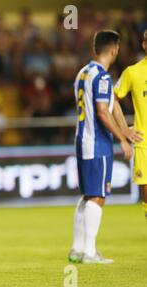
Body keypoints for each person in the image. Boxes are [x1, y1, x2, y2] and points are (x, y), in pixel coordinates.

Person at [68, 30, 142, 264]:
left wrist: (126, 128)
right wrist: (121, 138)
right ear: (114, 49)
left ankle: (77, 249)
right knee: (98, 197)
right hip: (97, 142)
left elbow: (112, 106)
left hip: (82, 139)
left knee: (88, 195)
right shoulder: (101, 77)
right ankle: (89, 252)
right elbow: (102, 111)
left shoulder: (83, 73)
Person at [114, 30, 147, 218]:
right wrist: (123, 128)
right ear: (144, 45)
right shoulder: (132, 72)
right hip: (144, 144)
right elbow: (113, 98)